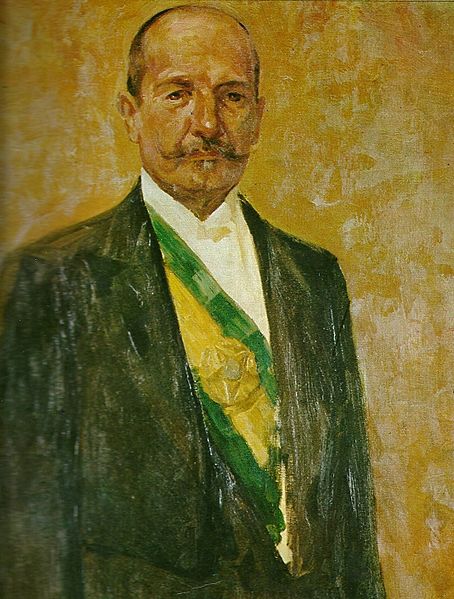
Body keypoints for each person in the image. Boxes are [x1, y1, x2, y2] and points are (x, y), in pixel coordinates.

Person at [1, 5, 385, 598]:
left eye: (231, 97)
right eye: (178, 94)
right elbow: (28, 530)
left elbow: (347, 515)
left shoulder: (313, 277)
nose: (207, 124)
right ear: (131, 113)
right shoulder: (52, 278)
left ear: (258, 117)